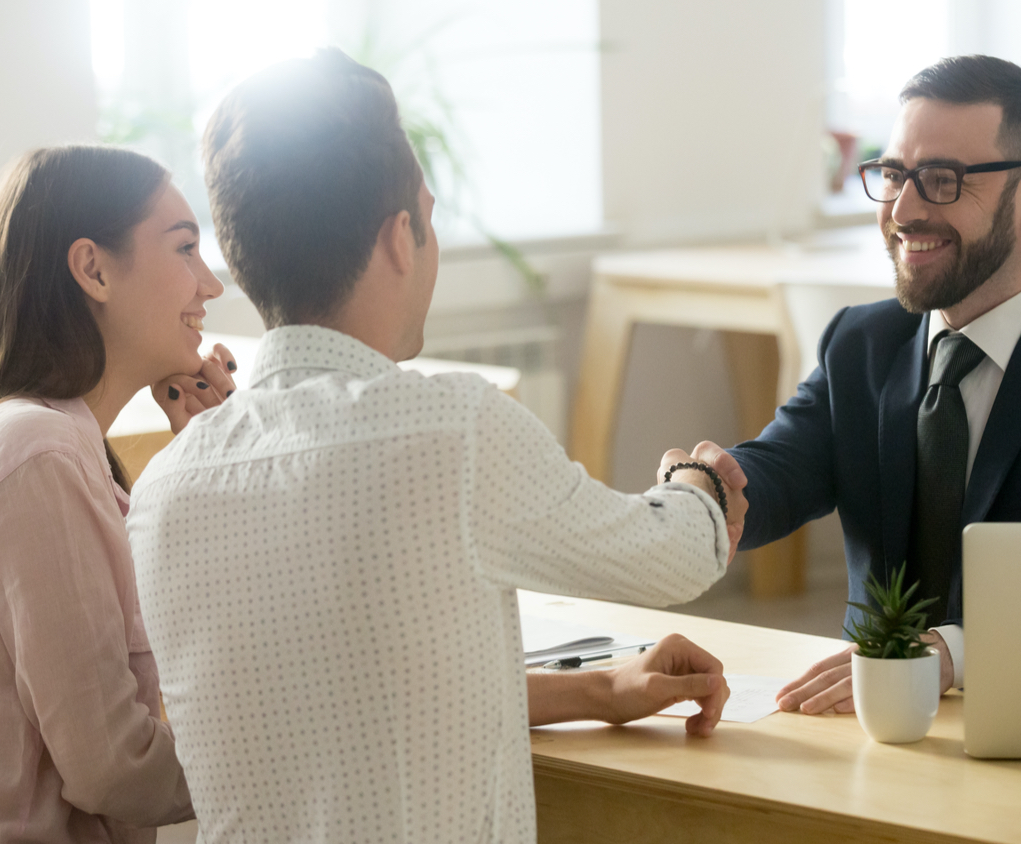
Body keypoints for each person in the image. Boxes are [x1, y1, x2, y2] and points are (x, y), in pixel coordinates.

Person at [124, 48, 745, 844]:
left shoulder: (164, 488)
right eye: (430, 216)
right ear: (398, 237)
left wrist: (600, 688)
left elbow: (355, 692)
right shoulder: (454, 431)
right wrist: (696, 481)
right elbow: (677, 557)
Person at [663, 55, 1021, 716]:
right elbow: (778, 470)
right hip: (864, 726)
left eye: (943, 180)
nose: (904, 210)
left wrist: (953, 654)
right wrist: (708, 485)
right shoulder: (861, 343)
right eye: (893, 174)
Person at [0, 145, 241, 842]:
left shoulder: (53, 447)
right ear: (93, 269)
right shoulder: (37, 455)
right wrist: (285, 754)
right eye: (185, 249)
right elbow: (114, 767)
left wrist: (202, 467)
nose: (211, 285)